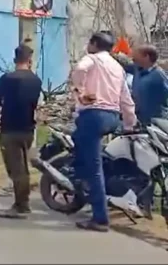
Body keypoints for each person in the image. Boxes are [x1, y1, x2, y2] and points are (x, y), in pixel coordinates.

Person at [70, 32, 136, 232]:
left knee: (93, 166)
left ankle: (100, 218)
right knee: (85, 147)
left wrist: (79, 92)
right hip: (112, 117)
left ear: (94, 44)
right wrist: (130, 123)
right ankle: (84, 182)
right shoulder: (118, 67)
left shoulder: (91, 59)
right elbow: (126, 97)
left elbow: (80, 69)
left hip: (93, 115)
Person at [0, 45, 43, 219]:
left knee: (16, 168)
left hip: (9, 128)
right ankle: (22, 202)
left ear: (15, 59)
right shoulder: (36, 80)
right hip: (28, 128)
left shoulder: (7, 78)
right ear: (30, 60)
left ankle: (21, 205)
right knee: (23, 167)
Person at [131, 44, 168, 124]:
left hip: (156, 122)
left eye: (137, 54)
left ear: (146, 57)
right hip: (139, 120)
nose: (133, 57)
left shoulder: (159, 75)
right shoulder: (138, 72)